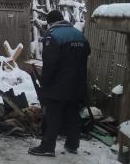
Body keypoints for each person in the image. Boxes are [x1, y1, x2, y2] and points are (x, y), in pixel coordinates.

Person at [29, 10, 91, 157]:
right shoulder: (79, 35)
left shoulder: (53, 36)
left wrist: (45, 82)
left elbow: (50, 63)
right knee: (72, 113)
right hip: (78, 83)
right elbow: (87, 53)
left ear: (50, 23)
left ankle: (48, 146)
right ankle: (72, 144)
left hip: (59, 85)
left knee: (53, 115)